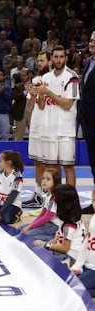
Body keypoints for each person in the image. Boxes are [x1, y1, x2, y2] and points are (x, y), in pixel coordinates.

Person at [35, 45, 80, 186]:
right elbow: (41, 106)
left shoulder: (72, 77)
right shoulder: (45, 77)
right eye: (56, 57)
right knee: (52, 169)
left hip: (65, 130)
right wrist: (40, 94)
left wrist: (47, 92)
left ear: (66, 58)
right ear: (51, 59)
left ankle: (71, 202)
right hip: (48, 130)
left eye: (61, 57)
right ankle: (56, 201)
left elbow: (67, 104)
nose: (58, 60)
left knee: (68, 167)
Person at [22, 51, 51, 208]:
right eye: (38, 61)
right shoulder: (35, 80)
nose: (38, 63)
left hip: (50, 127)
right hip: (36, 126)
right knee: (37, 162)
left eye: (42, 60)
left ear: (49, 61)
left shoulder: (53, 80)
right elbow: (28, 108)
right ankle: (38, 194)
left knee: (50, 163)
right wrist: (32, 95)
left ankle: (50, 195)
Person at [34, 184, 85, 267]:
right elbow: (58, 237)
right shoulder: (70, 217)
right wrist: (46, 245)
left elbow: (64, 248)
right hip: (67, 251)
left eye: (56, 201)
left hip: (70, 256)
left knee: (40, 261)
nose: (54, 203)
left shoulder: (69, 225)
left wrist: (45, 245)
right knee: (38, 251)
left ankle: (66, 264)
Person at [18, 168, 62, 241]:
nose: (44, 181)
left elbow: (46, 217)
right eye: (43, 178)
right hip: (48, 223)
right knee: (21, 228)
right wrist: (31, 225)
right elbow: (42, 214)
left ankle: (53, 238)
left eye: (48, 179)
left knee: (27, 236)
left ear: (55, 182)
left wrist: (30, 227)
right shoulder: (48, 195)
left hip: (55, 226)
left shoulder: (54, 198)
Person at [79, 31, 95, 214]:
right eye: (90, 40)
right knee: (94, 165)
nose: (91, 44)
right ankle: (94, 203)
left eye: (94, 41)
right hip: (89, 123)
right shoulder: (89, 62)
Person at [70, 213, 95, 297]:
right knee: (65, 284)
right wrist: (78, 266)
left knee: (72, 290)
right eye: (93, 200)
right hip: (87, 266)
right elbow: (85, 245)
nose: (94, 204)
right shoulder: (93, 218)